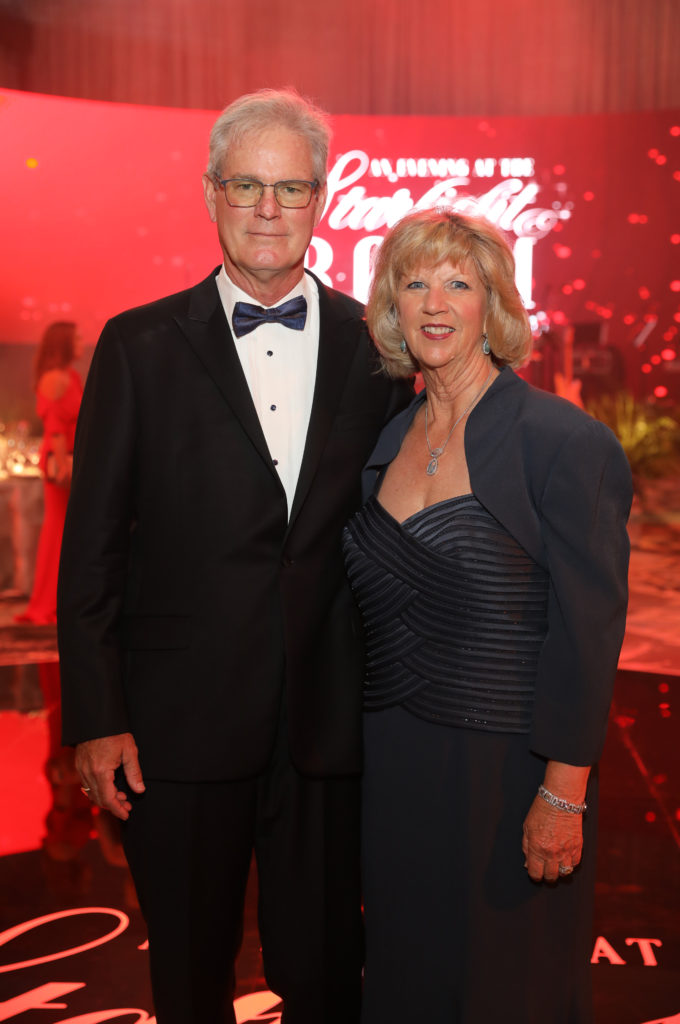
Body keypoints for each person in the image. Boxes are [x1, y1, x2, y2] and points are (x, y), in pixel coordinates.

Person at [57, 88, 412, 1024]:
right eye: (246, 185)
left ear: (320, 199)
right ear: (211, 192)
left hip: (328, 729)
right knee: (188, 981)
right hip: (174, 730)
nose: (266, 208)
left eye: (290, 188)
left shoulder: (377, 349)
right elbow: (91, 548)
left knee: (328, 980)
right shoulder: (137, 345)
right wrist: (97, 717)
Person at [343, 209, 632, 1023]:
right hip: (395, 774)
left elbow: (587, 633)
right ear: (391, 308)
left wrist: (562, 796)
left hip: (509, 780)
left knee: (510, 991)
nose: (434, 302)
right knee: (407, 983)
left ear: (492, 305)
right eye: (413, 283)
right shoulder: (384, 442)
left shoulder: (561, 441)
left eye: (457, 283)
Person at [15, 321, 83, 625]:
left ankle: (56, 600)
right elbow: (55, 426)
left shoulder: (71, 376)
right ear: (65, 343)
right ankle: (46, 603)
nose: (81, 342)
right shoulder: (55, 378)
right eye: (76, 338)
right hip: (61, 463)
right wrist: (63, 464)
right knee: (56, 531)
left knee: (64, 531)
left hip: (69, 459)